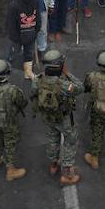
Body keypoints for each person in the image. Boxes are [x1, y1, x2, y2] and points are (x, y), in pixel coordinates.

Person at [33, 49, 83, 185]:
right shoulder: (64, 85)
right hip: (64, 118)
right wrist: (67, 73)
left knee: (52, 138)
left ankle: (54, 164)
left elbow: (34, 93)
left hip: (47, 117)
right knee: (70, 141)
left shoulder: (37, 79)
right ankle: (67, 173)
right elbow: (80, 87)